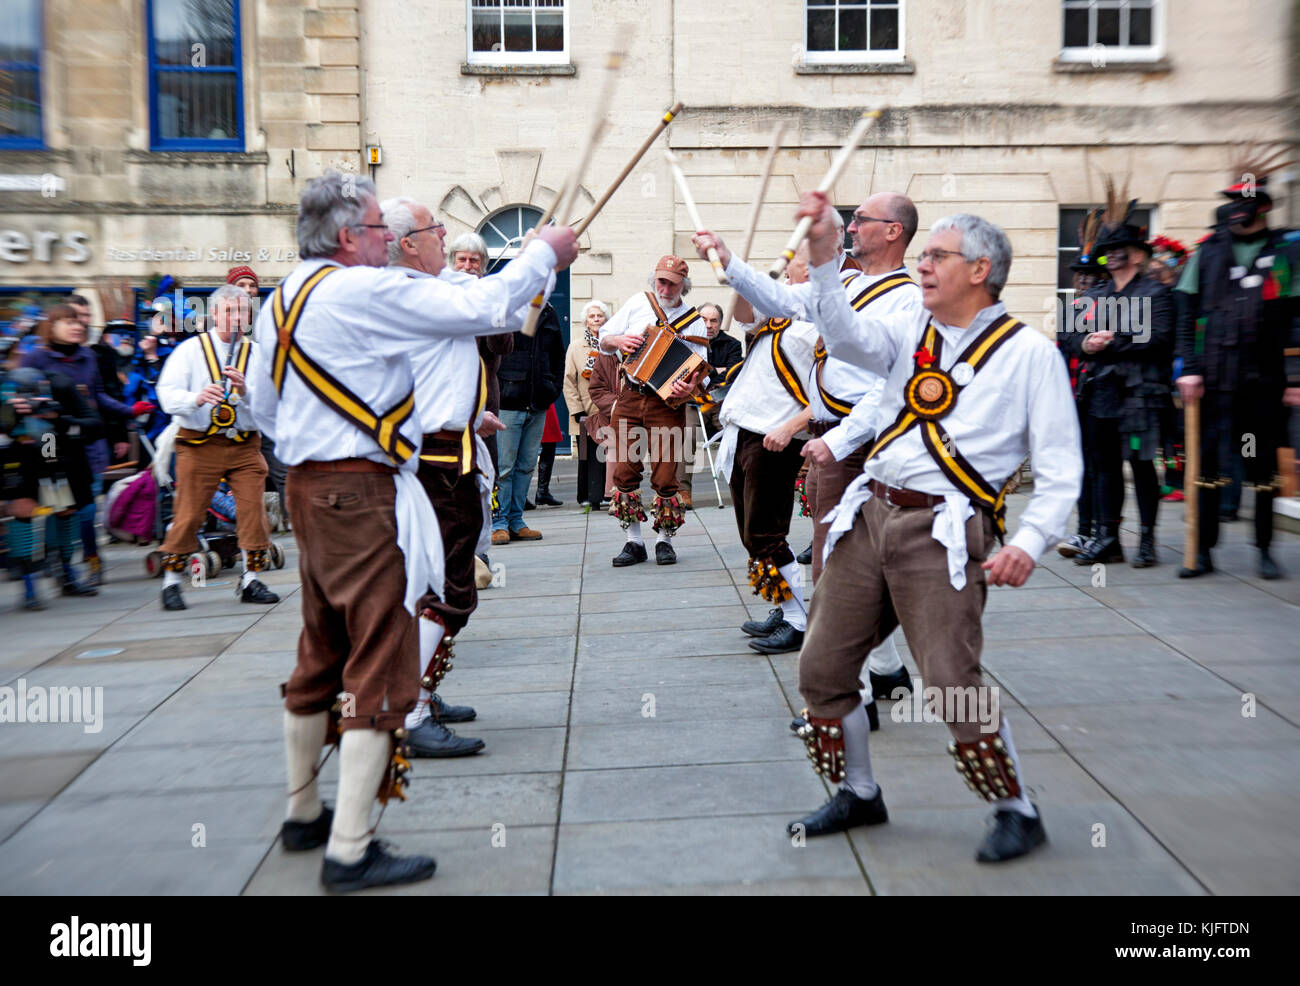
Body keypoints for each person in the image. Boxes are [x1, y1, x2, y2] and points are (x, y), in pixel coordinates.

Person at [726, 194, 1081, 862]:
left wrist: (1029, 543)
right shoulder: (910, 334)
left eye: (936, 256)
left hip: (944, 532)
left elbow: (1063, 468)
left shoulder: (1030, 354)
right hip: (870, 513)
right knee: (823, 667)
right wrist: (827, 260)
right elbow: (850, 342)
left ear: (980, 270)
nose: (922, 266)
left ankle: (1016, 807)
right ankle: (859, 792)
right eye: (921, 255)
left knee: (950, 680)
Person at [248, 171, 576, 892]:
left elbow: (260, 404)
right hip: (360, 492)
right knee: (381, 654)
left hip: (307, 486)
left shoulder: (283, 299)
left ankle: (304, 812)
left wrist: (321, 447)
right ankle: (351, 848)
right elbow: (488, 302)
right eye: (375, 230)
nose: (386, 242)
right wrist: (545, 252)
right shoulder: (364, 288)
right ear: (346, 237)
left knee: (320, 647)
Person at [695, 201, 919, 717]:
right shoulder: (852, 287)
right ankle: (884, 672)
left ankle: (851, 700)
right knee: (846, 565)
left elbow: (891, 388)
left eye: (862, 220)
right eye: (850, 221)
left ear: (893, 231)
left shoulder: (905, 300)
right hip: (831, 440)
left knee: (836, 571)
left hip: (861, 443)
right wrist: (727, 261)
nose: (854, 226)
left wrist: (838, 442)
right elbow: (778, 297)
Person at [1175, 154, 1300, 579]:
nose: (1233, 212)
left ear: (1262, 207)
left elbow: (1297, 318)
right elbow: (1185, 312)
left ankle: (1264, 547)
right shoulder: (1207, 252)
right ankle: (1204, 549)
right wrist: (1188, 368)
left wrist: (1296, 378)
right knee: (1209, 466)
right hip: (1212, 379)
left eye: (1241, 204)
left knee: (1260, 464)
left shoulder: (1286, 252)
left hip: (1263, 381)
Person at [711, 244, 818, 654]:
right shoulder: (778, 311)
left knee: (765, 533)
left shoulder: (819, 318)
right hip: (746, 430)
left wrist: (793, 426)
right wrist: (737, 275)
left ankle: (798, 619)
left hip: (775, 437)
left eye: (795, 267)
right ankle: (784, 605)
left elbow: (835, 391)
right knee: (751, 533)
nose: (787, 271)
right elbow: (742, 314)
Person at [152, 284, 279, 610]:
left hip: (244, 445)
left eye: (242, 312)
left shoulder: (257, 353)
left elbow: (270, 404)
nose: (236, 318)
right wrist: (196, 398)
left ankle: (251, 579)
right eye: (229, 312)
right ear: (214, 315)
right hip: (199, 444)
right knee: (189, 513)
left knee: (253, 510)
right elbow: (167, 394)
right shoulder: (190, 350)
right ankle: (171, 581)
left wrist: (246, 391)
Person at [1067, 184, 1174, 568]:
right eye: (1107, 252)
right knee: (1105, 467)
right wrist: (1086, 345)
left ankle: (1146, 539)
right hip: (1101, 393)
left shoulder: (1155, 293)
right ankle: (1108, 539)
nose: (1111, 257)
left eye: (1117, 251)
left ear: (1137, 255)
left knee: (1142, 466)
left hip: (1140, 394)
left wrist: (1112, 342)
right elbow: (1069, 333)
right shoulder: (1095, 294)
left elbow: (1160, 338)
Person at [598, 255, 708, 566]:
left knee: (665, 473)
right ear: (654, 280)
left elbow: (701, 370)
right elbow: (603, 339)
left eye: (672, 283)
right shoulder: (637, 302)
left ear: (683, 286)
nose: (665, 287)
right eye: (661, 280)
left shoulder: (694, 319)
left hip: (666, 404)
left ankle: (664, 541)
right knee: (624, 470)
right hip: (630, 397)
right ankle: (633, 542)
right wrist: (617, 339)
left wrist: (690, 387)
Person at [21, 303, 133, 590]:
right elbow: (22, 401)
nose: (77, 326)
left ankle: (92, 563)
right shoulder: (36, 359)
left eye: (79, 322)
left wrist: (127, 412)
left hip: (86, 442)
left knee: (84, 509)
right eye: (68, 321)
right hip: (50, 446)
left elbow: (98, 397)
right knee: (58, 507)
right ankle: (61, 565)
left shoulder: (87, 357)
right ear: (52, 325)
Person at [3, 320, 103, 607]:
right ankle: (29, 584)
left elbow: (93, 423)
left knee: (65, 508)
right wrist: (11, 416)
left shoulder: (59, 384)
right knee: (23, 508)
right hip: (17, 454)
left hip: (53, 449)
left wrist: (58, 419)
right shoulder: (5, 386)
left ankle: (67, 574)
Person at [1056, 207, 1107, 557]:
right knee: (1081, 467)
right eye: (1080, 277)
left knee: (1100, 467)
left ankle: (1102, 532)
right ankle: (1083, 530)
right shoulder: (1069, 309)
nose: (1084, 282)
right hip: (1074, 397)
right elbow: (1065, 348)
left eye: (1091, 277)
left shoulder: (1110, 306)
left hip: (1100, 396)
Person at [492, 300, 564, 544]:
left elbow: (557, 356)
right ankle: (498, 522)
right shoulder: (506, 308)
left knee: (526, 466)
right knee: (504, 467)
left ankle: (516, 520)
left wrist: (552, 388)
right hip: (508, 401)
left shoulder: (550, 313)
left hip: (538, 400)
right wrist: (498, 390)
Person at [562, 300, 613, 508]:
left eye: (600, 316)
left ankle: (605, 494)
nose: (596, 320)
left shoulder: (611, 345)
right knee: (586, 454)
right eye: (592, 316)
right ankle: (587, 496)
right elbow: (568, 380)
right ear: (585, 321)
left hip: (607, 408)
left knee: (606, 452)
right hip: (585, 409)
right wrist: (575, 409)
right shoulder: (576, 347)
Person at [697, 301, 741, 439]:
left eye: (714, 321)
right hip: (694, 402)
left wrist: (705, 373)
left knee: (734, 436)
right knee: (685, 433)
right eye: (704, 320)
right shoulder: (689, 342)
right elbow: (689, 371)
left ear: (720, 323)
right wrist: (716, 370)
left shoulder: (733, 345)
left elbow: (731, 375)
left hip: (722, 401)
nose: (708, 325)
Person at [531, 403, 564, 508]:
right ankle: (540, 492)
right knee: (524, 448)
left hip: (544, 401)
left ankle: (542, 491)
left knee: (549, 445)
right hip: (532, 402)